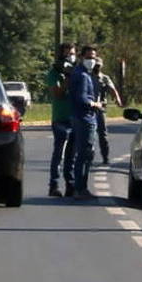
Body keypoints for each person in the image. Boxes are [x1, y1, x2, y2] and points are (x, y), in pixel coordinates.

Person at [40, 43, 78, 197]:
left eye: (73, 54)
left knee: (72, 155)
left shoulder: (79, 72)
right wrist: (66, 78)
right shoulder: (54, 73)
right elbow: (58, 93)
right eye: (67, 54)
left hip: (75, 118)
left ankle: (71, 184)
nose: (70, 57)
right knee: (59, 153)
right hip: (61, 118)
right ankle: (54, 185)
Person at [62, 50, 102, 195]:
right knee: (84, 154)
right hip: (85, 117)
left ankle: (78, 187)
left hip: (80, 117)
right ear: (81, 58)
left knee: (82, 153)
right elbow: (82, 98)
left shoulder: (80, 73)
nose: (92, 60)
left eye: (93, 57)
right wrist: (94, 105)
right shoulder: (83, 75)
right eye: (88, 57)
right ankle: (80, 187)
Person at [82, 44, 122, 162]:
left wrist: (117, 99)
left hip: (100, 109)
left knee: (103, 135)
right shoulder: (87, 76)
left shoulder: (104, 78)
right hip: (89, 108)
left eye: (99, 66)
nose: (97, 68)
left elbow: (112, 89)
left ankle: (105, 157)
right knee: (90, 135)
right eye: (96, 65)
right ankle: (89, 157)